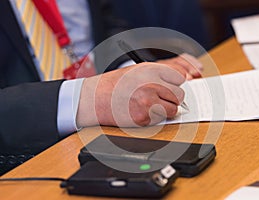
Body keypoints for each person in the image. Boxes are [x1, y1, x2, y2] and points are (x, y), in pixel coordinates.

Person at [0, 0, 202, 175]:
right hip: (29, 154)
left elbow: (107, 25)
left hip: (109, 134)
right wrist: (90, 99)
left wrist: (133, 71)